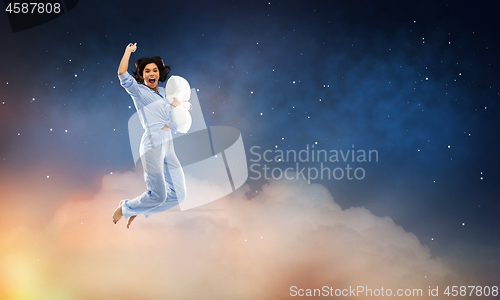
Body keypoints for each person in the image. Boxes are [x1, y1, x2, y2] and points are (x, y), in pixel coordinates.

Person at [112, 42, 187, 228]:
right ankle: (126, 207)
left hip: (169, 143)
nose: (151, 74)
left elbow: (185, 107)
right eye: (147, 71)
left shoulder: (164, 93)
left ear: (159, 73)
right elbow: (122, 75)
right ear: (141, 75)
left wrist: (181, 105)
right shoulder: (139, 91)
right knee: (159, 194)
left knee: (179, 194)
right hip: (152, 142)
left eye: (154, 70)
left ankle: (139, 209)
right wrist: (128, 51)